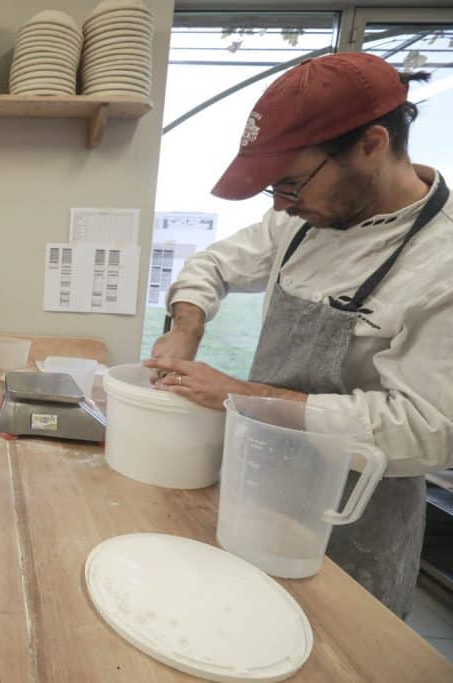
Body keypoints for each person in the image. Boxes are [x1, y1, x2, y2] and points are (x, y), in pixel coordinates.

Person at [145, 52, 452, 619]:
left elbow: (428, 431)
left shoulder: (442, 262)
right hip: (262, 484)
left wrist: (245, 396)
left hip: (354, 518)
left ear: (370, 144)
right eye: (274, 192)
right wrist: (187, 325)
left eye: (291, 184)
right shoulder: (301, 219)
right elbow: (213, 264)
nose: (284, 204)